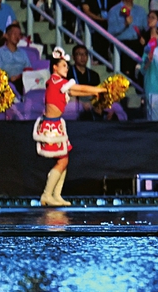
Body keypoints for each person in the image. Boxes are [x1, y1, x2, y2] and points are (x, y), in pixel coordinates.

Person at [34, 47, 105, 206]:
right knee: (62, 161)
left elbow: (75, 92)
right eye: (64, 65)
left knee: (64, 160)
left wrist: (95, 93)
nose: (67, 68)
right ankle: (47, 194)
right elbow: (78, 88)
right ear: (55, 67)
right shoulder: (56, 81)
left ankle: (56, 195)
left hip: (56, 125)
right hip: (51, 127)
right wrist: (99, 89)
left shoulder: (58, 83)